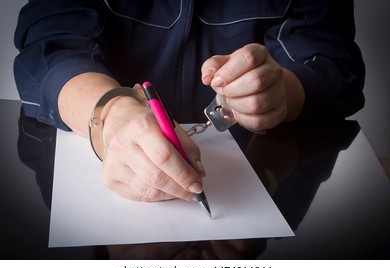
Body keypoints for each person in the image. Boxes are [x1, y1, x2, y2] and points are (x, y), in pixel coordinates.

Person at [13, 0, 365, 203]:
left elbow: (332, 56)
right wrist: (112, 113)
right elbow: (51, 44)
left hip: (271, 184)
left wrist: (282, 91)